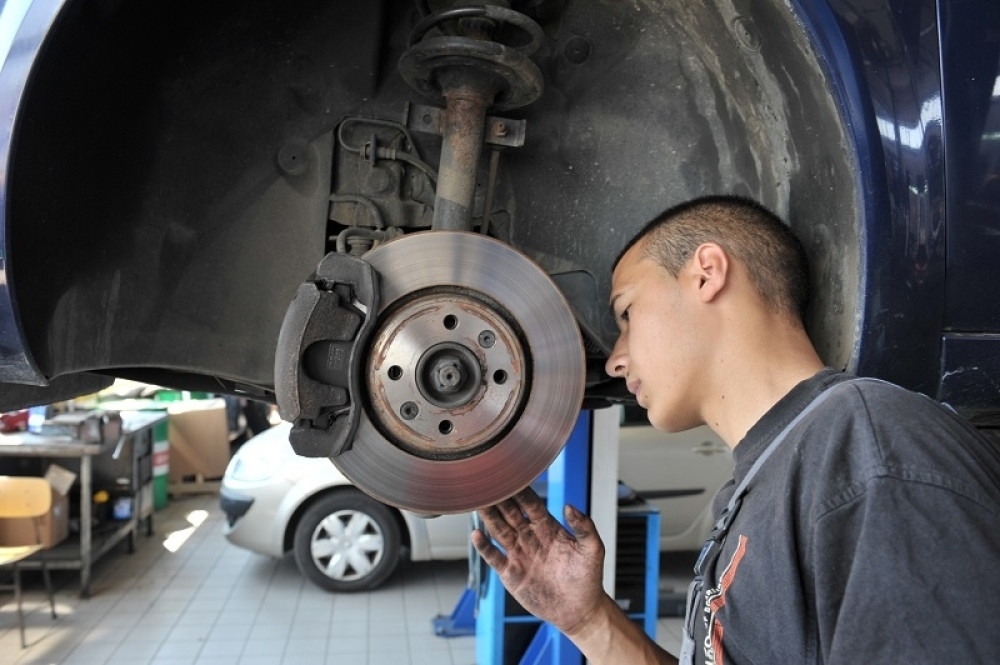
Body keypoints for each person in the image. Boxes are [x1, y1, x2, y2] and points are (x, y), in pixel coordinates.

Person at [471, 195, 1000, 664]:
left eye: (627, 313)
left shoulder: (869, 450)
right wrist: (588, 620)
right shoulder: (772, 477)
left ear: (707, 272)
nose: (615, 360)